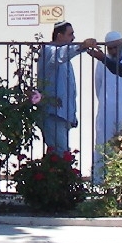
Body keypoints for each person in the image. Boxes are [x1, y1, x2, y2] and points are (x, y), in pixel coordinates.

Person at [92, 30, 122, 182]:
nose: (113, 51)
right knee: (104, 144)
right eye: (110, 48)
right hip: (108, 110)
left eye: (116, 47)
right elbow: (98, 85)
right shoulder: (102, 63)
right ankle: (101, 180)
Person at [35, 21, 82, 154]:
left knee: (59, 153)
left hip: (63, 115)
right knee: (60, 153)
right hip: (53, 113)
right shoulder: (48, 51)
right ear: (60, 36)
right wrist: (82, 46)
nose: (73, 38)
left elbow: (70, 90)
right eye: (70, 34)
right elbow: (60, 55)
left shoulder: (65, 60)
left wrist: (72, 114)